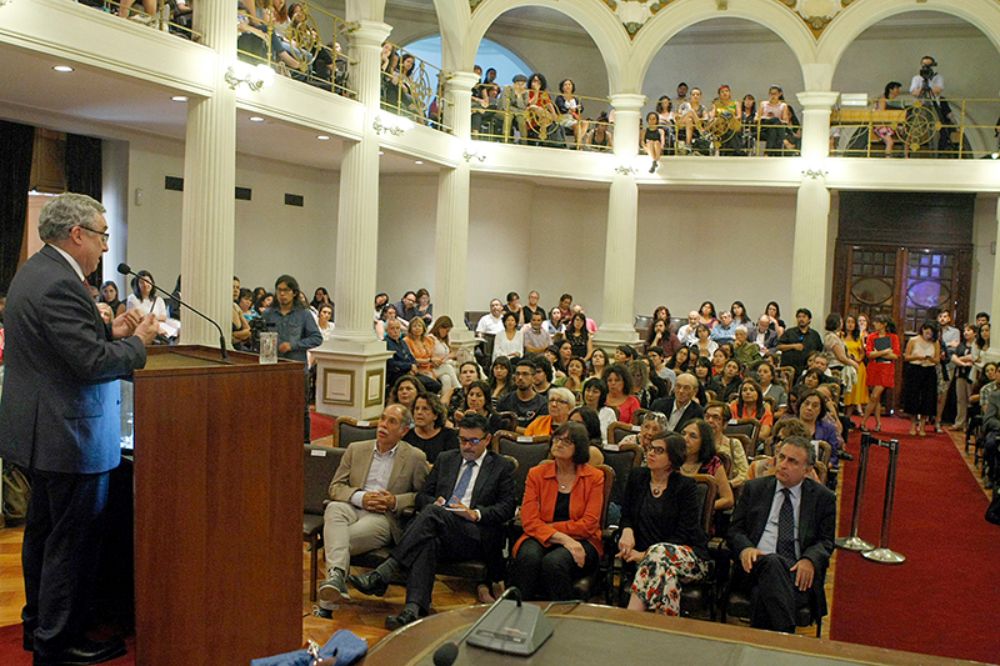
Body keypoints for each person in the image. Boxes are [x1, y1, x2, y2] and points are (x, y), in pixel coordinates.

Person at [0, 193, 159, 665]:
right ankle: (59, 642)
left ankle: (39, 627)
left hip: (42, 432)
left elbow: (63, 349)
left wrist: (113, 334)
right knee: (69, 543)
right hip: (69, 434)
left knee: (44, 536)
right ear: (78, 234)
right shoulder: (61, 283)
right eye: (103, 235)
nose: (106, 247)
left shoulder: (36, 271)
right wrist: (141, 344)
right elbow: (89, 364)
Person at [349, 413, 517, 628]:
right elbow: (422, 496)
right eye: (462, 440)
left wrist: (475, 513)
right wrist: (436, 501)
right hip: (441, 528)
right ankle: (412, 609)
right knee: (428, 537)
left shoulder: (501, 466)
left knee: (431, 515)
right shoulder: (447, 459)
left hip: (476, 535)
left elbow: (507, 508)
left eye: (473, 441)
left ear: (486, 439)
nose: (467, 446)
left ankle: (386, 570)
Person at [318, 404, 429, 610]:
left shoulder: (415, 457)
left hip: (383, 518)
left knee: (337, 542)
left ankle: (329, 599)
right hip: (353, 507)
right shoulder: (356, 449)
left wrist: (395, 501)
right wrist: (361, 497)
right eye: (383, 418)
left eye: (391, 421)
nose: (383, 425)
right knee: (334, 508)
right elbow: (335, 488)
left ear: (404, 431)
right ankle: (336, 583)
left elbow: (423, 496)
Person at [727, 436, 836, 633]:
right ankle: (786, 637)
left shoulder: (822, 498)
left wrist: (809, 559)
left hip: (797, 574)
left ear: (807, 469)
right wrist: (745, 548)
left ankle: (766, 647)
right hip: (754, 566)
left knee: (763, 591)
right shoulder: (755, 488)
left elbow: (826, 541)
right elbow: (735, 530)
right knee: (772, 562)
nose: (783, 465)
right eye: (781, 457)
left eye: (792, 461)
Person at [510, 422, 604, 601]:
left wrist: (551, 529)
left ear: (579, 448)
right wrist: (565, 539)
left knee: (554, 563)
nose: (559, 444)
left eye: (567, 441)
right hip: (541, 536)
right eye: (557, 439)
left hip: (583, 540)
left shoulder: (594, 477)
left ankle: (563, 617)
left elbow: (589, 524)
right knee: (528, 557)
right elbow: (529, 520)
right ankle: (517, 614)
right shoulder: (536, 473)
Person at [619, 433, 709, 616]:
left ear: (673, 458)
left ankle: (632, 617)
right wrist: (627, 531)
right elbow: (626, 514)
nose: (651, 453)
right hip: (654, 563)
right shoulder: (637, 477)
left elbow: (684, 534)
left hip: (687, 556)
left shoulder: (686, 486)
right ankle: (666, 627)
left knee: (659, 554)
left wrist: (644, 554)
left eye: (659, 450)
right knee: (664, 571)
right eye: (650, 448)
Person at [680, 420, 734, 513]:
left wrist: (705, 506)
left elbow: (728, 499)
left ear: (704, 441)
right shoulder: (671, 458)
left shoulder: (713, 463)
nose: (685, 439)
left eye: (693, 436)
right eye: (683, 433)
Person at [860, 315, 899, 432]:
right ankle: (878, 423)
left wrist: (878, 353)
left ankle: (863, 422)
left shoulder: (893, 337)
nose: (874, 325)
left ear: (884, 324)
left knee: (874, 396)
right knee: (876, 398)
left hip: (886, 369)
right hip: (874, 367)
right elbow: (869, 354)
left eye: (877, 322)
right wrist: (885, 351)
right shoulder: (872, 336)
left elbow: (895, 355)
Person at [903, 322, 940, 437]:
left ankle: (923, 425)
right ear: (923, 330)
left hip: (929, 370)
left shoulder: (935, 342)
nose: (928, 335)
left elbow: (937, 359)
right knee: (913, 396)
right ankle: (913, 424)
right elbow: (906, 357)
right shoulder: (913, 340)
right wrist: (919, 357)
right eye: (927, 332)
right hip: (915, 369)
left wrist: (931, 359)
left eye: (931, 333)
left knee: (927, 398)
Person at [705, 402, 749, 488]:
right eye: (707, 417)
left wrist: (726, 486)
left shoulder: (733, 444)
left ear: (725, 423)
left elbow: (744, 474)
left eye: (715, 417)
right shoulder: (695, 443)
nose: (710, 421)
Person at [404, 394, 458, 464]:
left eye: (425, 409)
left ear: (435, 415)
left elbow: (451, 465)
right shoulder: (406, 436)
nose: (419, 412)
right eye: (416, 408)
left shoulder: (449, 436)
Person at [496, 358, 548, 429]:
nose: (520, 378)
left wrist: (514, 428)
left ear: (533, 377)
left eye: (525, 374)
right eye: (517, 374)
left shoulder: (543, 404)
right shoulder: (504, 401)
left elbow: (538, 433)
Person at [777, 308, 823, 377]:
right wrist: (793, 346)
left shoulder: (814, 335)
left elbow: (820, 351)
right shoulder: (789, 332)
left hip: (807, 370)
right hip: (789, 370)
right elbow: (779, 346)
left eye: (804, 317)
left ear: (809, 319)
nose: (801, 319)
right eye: (799, 317)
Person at [842, 315, 868, 416]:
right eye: (848, 322)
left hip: (857, 367)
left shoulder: (858, 337)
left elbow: (862, 352)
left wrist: (858, 359)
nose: (850, 324)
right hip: (845, 365)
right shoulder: (841, 336)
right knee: (845, 394)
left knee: (853, 394)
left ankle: (848, 419)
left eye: (852, 322)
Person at [581, 377, 617, 444]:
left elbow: (611, 439)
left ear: (602, 395)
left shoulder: (609, 413)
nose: (590, 394)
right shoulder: (576, 411)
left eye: (595, 392)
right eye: (588, 390)